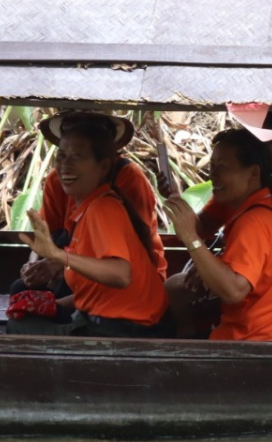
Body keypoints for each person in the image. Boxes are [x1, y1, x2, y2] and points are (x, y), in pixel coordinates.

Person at [13, 114, 169, 337]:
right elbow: (97, 288)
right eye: (62, 156)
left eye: (78, 156)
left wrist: (59, 257)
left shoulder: (104, 207)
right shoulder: (87, 204)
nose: (66, 165)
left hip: (122, 326)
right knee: (23, 297)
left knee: (18, 326)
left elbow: (121, 274)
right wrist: (53, 300)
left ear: (104, 165)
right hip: (109, 310)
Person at [164, 128, 272, 342]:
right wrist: (177, 204)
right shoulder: (262, 202)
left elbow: (234, 291)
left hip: (264, 343)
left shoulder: (255, 220)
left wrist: (191, 239)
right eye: (212, 167)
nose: (213, 175)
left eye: (222, 168)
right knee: (176, 289)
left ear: (254, 173)